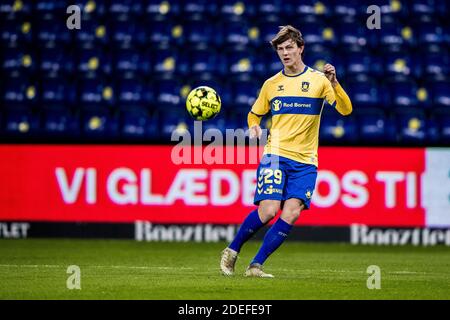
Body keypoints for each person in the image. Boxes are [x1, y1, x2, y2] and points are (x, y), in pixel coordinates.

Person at [220, 25, 353, 278]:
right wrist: (254, 126)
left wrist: (335, 83)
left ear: (300, 48)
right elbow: (254, 113)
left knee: (291, 213)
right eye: (280, 49)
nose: (285, 53)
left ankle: (256, 265)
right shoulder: (272, 84)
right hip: (275, 155)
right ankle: (232, 250)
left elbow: (346, 110)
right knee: (269, 210)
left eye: (289, 47)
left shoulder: (319, 81)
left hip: (305, 161)